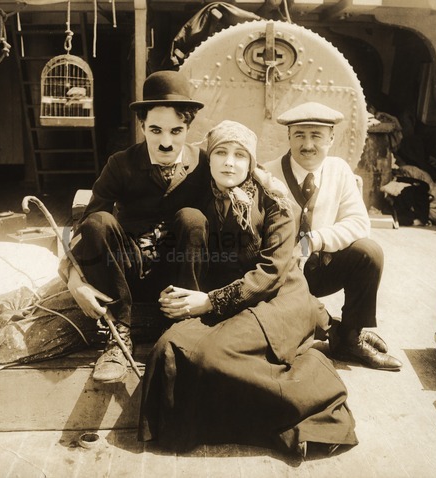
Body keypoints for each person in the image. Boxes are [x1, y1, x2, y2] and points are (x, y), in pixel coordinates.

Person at [138, 120, 358, 456]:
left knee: (211, 356)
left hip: (279, 298)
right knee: (170, 349)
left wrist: (209, 302)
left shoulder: (277, 203)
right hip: (226, 298)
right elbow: (156, 233)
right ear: (209, 159)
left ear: (251, 163)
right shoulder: (197, 195)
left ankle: (310, 392)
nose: (230, 162)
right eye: (221, 153)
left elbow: (271, 273)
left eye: (240, 155)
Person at [60, 70, 211, 383]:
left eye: (176, 131)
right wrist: (75, 280)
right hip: (123, 273)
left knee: (193, 218)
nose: (165, 142)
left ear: (189, 127)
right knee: (98, 222)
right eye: (155, 130)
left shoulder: (206, 163)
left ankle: (184, 331)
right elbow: (84, 226)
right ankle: (118, 335)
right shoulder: (121, 163)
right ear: (142, 125)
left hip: (178, 277)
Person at [264, 102, 403, 371]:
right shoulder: (269, 173)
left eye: (316, 135)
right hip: (281, 274)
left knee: (368, 252)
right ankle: (341, 333)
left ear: (331, 138)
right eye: (300, 135)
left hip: (320, 269)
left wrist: (312, 240)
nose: (307, 145)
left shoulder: (338, 171)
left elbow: (359, 223)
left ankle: (351, 336)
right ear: (288, 136)